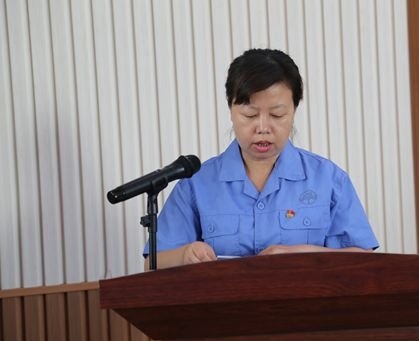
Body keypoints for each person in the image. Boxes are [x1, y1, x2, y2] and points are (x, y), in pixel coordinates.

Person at [144, 48, 378, 269]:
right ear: (231, 109)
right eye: (250, 114)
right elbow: (151, 264)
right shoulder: (196, 184)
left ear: (294, 110)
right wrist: (185, 254)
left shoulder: (328, 179)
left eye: (277, 114)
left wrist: (300, 254)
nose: (263, 127)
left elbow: (364, 261)